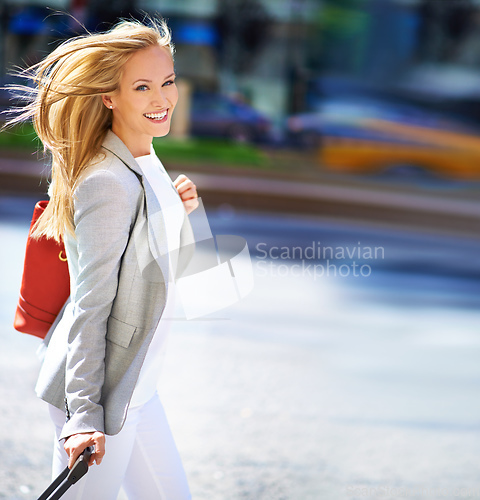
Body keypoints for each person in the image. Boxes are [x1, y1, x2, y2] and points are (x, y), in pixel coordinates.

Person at [9, 18, 198, 499]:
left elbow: (150, 261)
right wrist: (83, 416)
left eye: (168, 82)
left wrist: (174, 209)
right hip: (101, 393)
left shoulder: (143, 161)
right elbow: (92, 304)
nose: (162, 99)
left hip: (137, 386)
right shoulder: (106, 183)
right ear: (109, 97)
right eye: (142, 87)